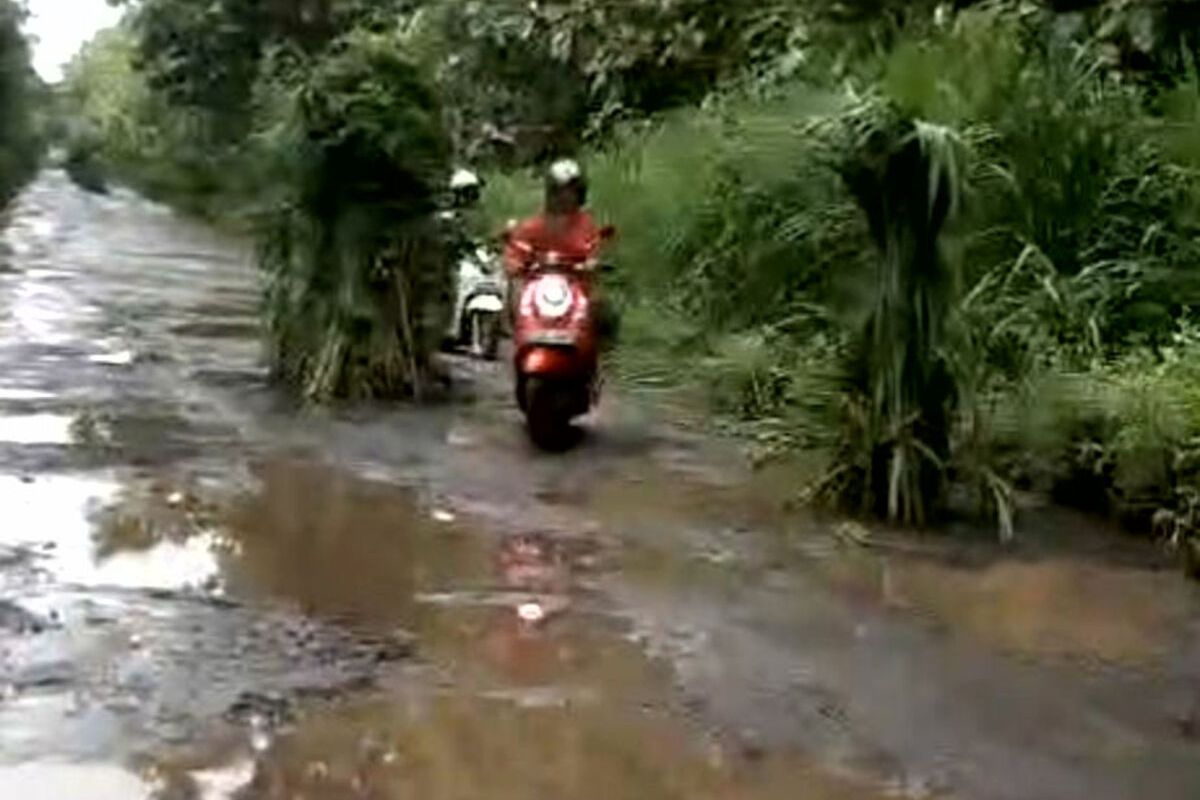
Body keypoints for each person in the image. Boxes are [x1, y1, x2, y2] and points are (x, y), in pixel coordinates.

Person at [503, 158, 617, 344]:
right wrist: (516, 265)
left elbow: (596, 249)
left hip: (576, 291)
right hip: (540, 290)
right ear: (550, 194)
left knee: (604, 311)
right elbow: (516, 252)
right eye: (559, 191)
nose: (564, 197)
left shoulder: (587, 225)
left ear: (579, 194)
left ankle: (604, 365)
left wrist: (593, 263)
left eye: (571, 191)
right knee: (517, 294)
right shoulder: (533, 226)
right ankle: (520, 343)